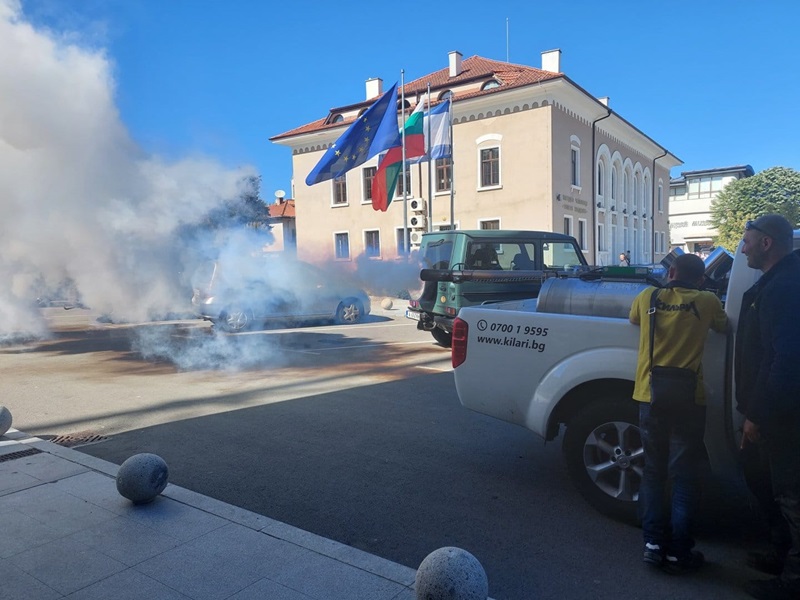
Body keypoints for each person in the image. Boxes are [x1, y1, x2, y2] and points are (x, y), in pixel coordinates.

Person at [629, 253, 727, 573]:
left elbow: (633, 320)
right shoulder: (707, 300)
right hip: (689, 400)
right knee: (684, 474)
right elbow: (724, 326)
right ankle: (679, 551)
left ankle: (653, 544)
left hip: (650, 396)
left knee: (654, 471)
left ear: (670, 272)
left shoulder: (647, 297)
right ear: (700, 280)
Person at [735, 214, 800, 600]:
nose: (741, 248)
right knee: (776, 489)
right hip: (776, 410)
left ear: (766, 243)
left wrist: (757, 414)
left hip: (785, 416)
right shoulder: (779, 283)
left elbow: (786, 360)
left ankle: (793, 583)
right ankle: (782, 556)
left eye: (747, 241)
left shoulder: (785, 287)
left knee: (793, 497)